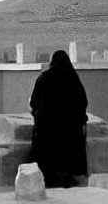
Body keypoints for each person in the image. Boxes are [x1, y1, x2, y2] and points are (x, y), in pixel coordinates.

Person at [29, 50, 89, 187]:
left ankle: (48, 178)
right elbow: (82, 102)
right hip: (70, 129)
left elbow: (34, 102)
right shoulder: (73, 78)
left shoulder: (44, 78)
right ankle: (68, 177)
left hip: (47, 129)